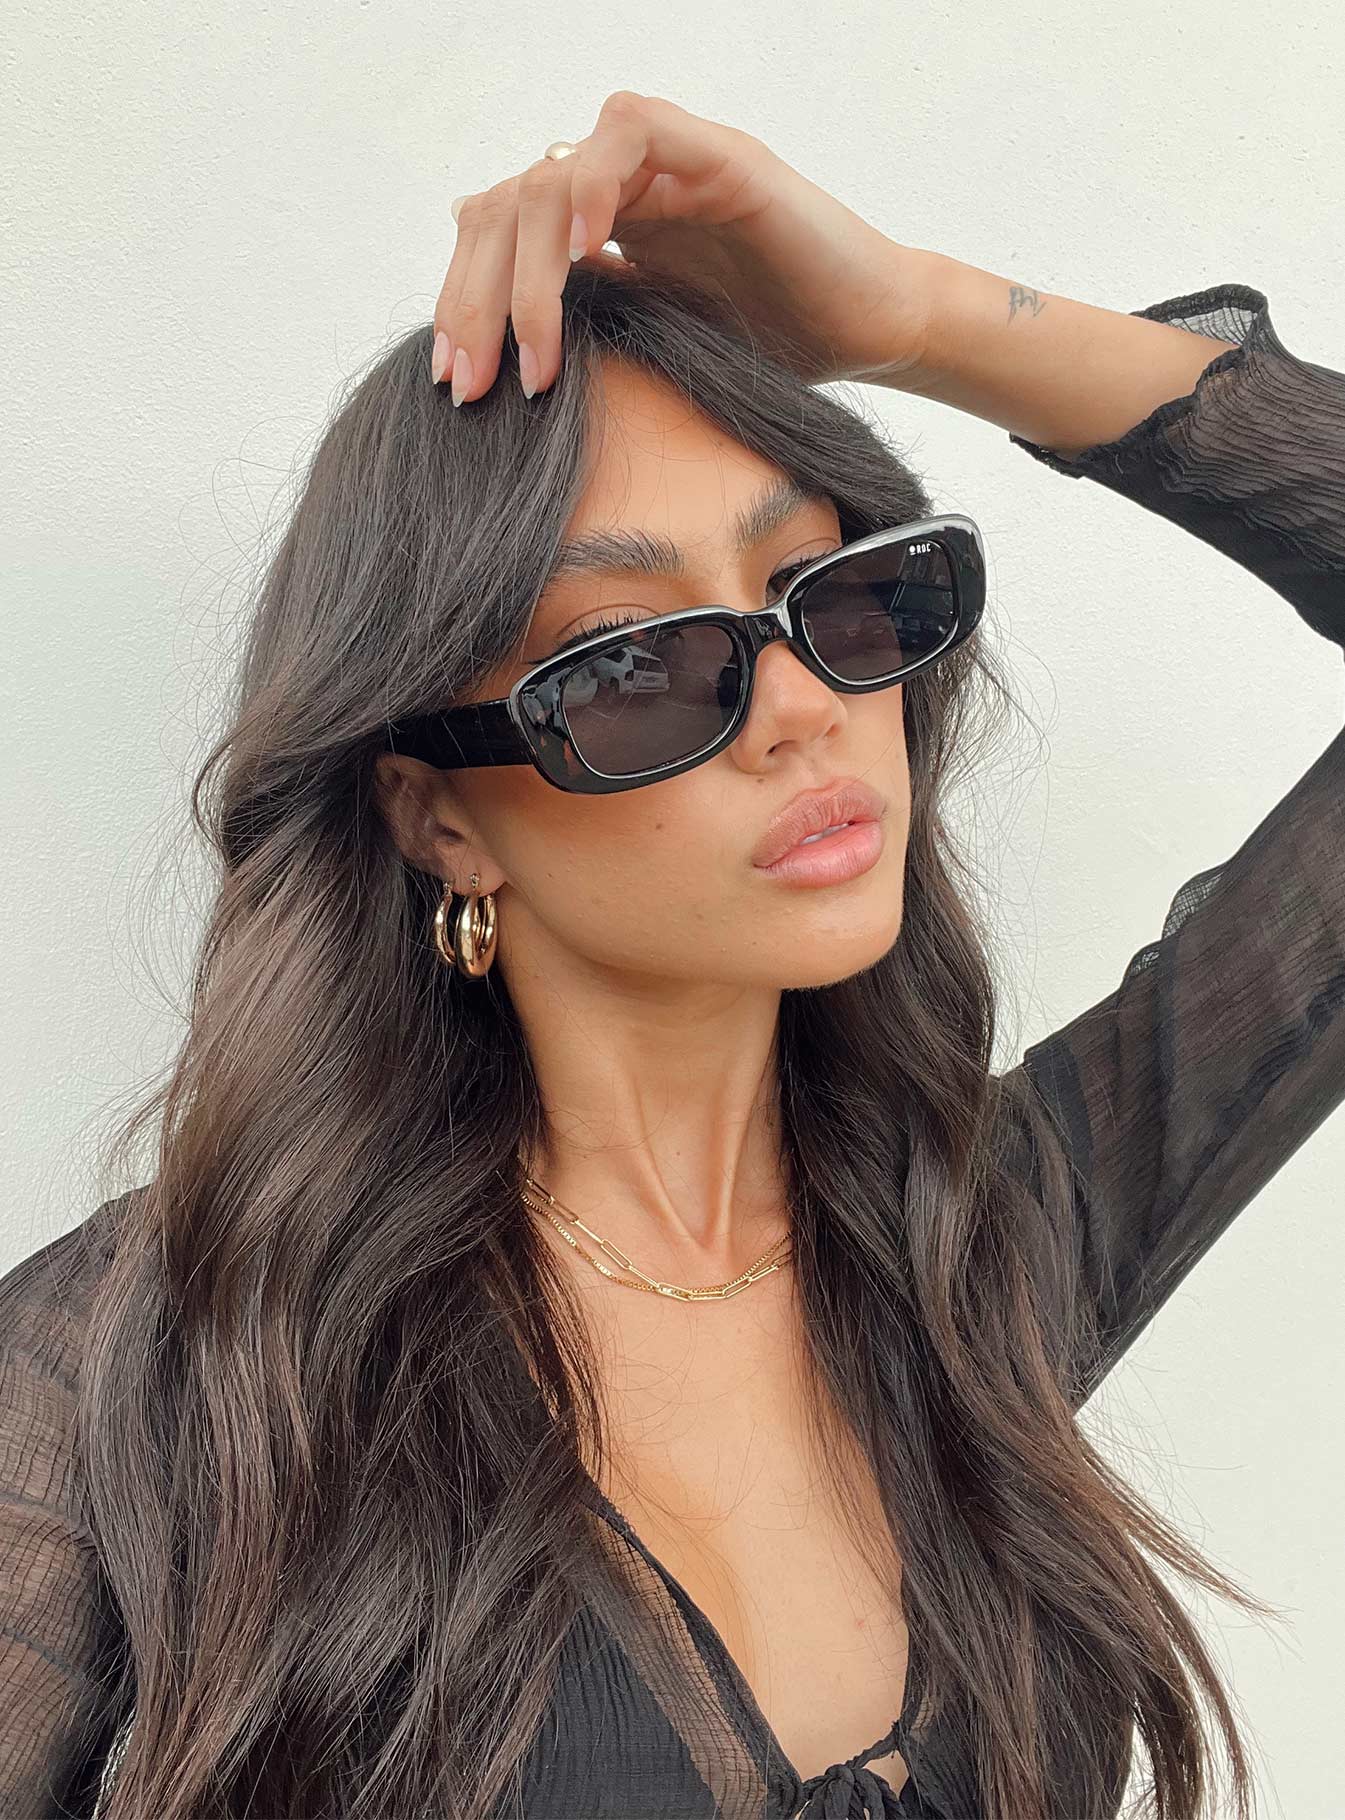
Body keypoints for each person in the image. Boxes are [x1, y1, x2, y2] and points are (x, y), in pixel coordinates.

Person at [3, 91, 1342, 1820]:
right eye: (633, 663)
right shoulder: (159, 1368)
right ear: (441, 818)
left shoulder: (983, 1251)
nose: (800, 709)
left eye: (828, 593)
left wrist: (915, 316)